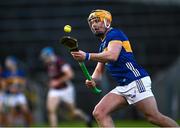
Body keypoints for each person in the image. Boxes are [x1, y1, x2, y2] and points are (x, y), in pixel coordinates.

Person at [71, 9, 179, 127]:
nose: (94, 25)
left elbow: (113, 56)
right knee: (99, 112)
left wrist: (86, 56)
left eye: (97, 21)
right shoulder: (102, 46)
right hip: (123, 86)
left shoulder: (115, 34)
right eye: (91, 22)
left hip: (136, 80)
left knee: (153, 117)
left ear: (107, 22)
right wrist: (92, 80)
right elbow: (98, 71)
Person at [40, 47, 92, 127]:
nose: (44, 60)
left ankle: (86, 118)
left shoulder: (60, 62)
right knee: (51, 110)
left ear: (50, 55)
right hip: (55, 90)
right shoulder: (48, 64)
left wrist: (57, 82)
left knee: (73, 113)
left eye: (45, 57)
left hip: (65, 89)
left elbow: (70, 74)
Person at [2, 56, 32, 126]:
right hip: (9, 95)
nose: (6, 63)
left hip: (19, 94)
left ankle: (27, 125)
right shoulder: (5, 73)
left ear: (13, 63)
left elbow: (24, 84)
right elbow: (3, 85)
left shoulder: (20, 72)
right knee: (11, 113)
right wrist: (9, 89)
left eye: (8, 61)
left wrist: (19, 89)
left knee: (25, 110)